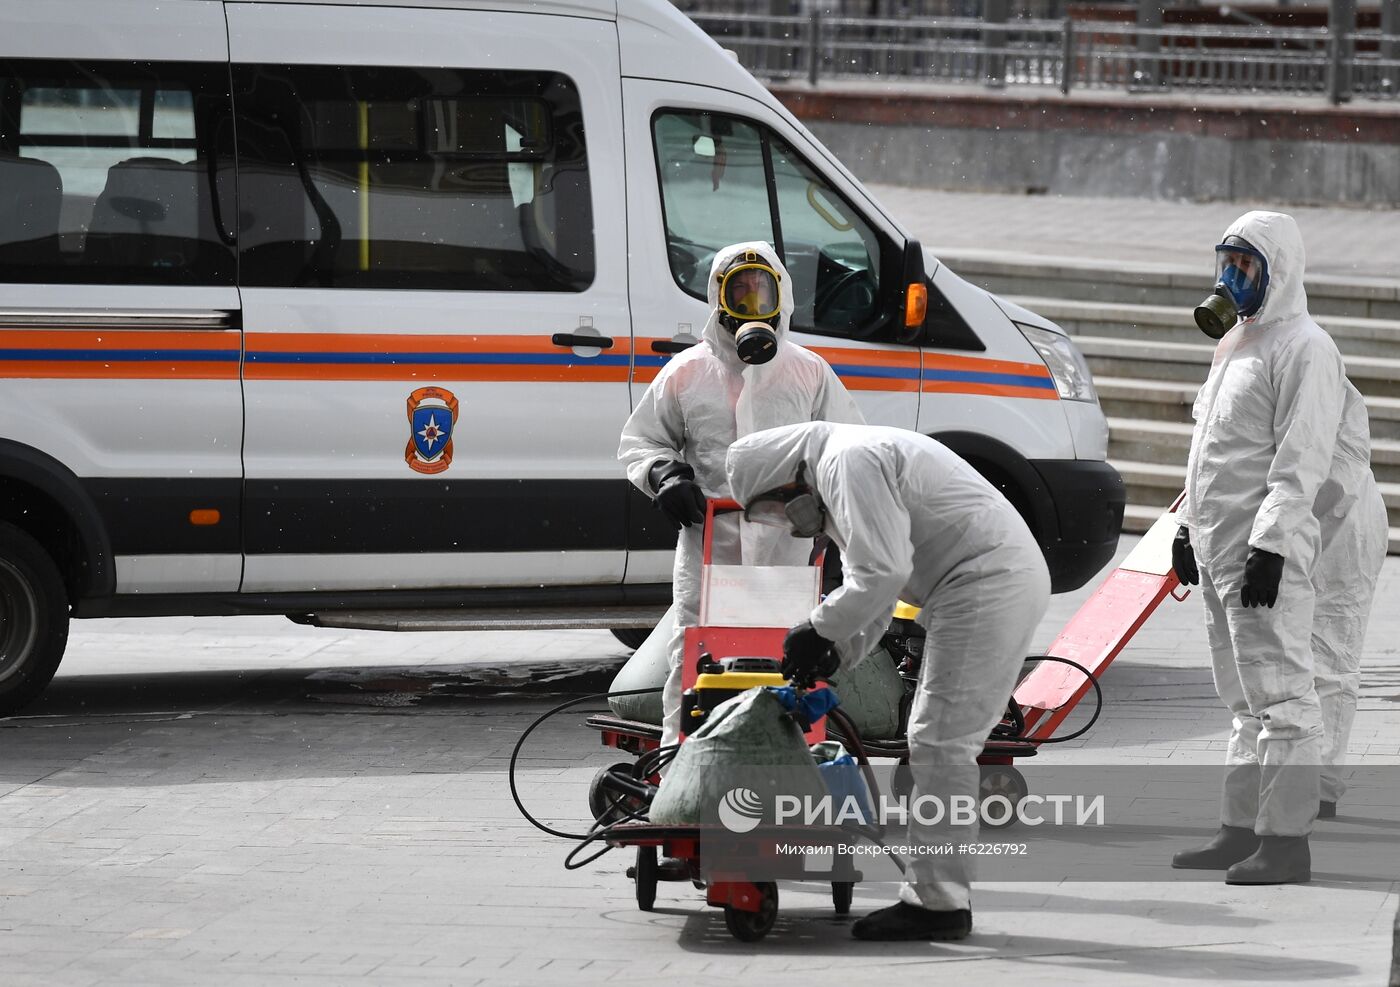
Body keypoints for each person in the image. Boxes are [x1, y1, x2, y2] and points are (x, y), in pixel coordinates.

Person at [726, 421, 1050, 941]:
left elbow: (883, 573)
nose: (789, 521)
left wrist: (816, 629)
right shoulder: (842, 463)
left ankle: (938, 905)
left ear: (788, 478)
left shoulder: (846, 462)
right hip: (977, 582)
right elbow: (875, 586)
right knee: (937, 741)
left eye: (779, 506)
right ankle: (938, 897)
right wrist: (835, 653)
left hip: (987, 582)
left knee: (941, 742)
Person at [1171, 210, 1364, 884]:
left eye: (1247, 266)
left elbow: (1301, 457)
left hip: (1261, 552)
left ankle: (1286, 842)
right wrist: (1185, 527)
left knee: (1283, 695)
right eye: (1226, 262)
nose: (1231, 278)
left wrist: (1273, 545)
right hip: (1222, 548)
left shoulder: (1305, 346)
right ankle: (1239, 829)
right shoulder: (1234, 346)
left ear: (1278, 270)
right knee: (1243, 698)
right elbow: (1207, 449)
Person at [617, 241, 863, 752]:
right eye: (740, 291)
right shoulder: (687, 372)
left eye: (762, 291)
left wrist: (832, 514)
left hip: (789, 543)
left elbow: (850, 446)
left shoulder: (809, 372)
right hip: (712, 540)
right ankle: (682, 760)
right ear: (719, 298)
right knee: (696, 654)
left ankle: (792, 762)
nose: (752, 303)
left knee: (788, 653)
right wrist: (664, 474)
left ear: (781, 299)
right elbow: (641, 440)